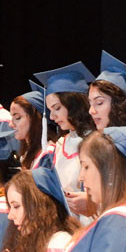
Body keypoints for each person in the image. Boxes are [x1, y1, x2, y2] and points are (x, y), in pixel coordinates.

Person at [35, 62, 97, 218]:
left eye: (57, 108)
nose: (52, 116)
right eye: (50, 110)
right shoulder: (61, 144)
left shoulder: (99, 141)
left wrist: (93, 203)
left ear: (74, 104)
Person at [89, 51, 126, 131]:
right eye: (90, 104)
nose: (91, 111)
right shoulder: (94, 141)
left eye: (99, 102)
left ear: (120, 105)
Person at [11, 82, 54, 170]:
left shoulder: (48, 154)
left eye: (18, 117)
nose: (11, 124)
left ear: (35, 119)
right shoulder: (26, 154)